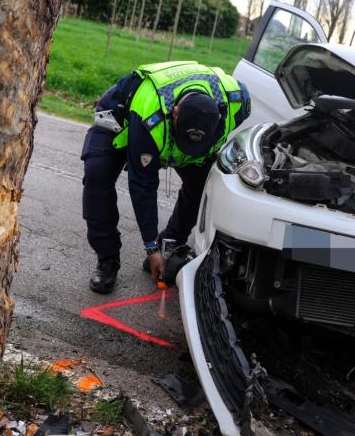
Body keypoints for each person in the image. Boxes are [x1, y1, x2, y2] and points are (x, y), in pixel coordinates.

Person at [82, 61, 251, 293]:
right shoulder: (149, 115)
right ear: (175, 113)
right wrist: (150, 248)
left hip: (182, 128)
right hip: (123, 115)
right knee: (97, 175)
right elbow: (143, 185)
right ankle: (107, 259)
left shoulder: (237, 100)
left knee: (201, 184)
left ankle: (170, 245)